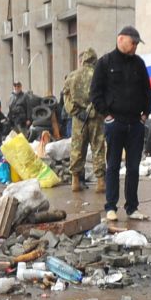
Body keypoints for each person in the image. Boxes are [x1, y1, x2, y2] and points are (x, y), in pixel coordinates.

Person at [90, 25, 151, 224]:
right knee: (113, 166)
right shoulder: (105, 63)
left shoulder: (139, 64)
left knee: (133, 167)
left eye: (136, 44)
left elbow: (146, 92)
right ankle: (110, 207)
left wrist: (145, 115)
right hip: (115, 123)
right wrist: (107, 116)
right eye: (132, 42)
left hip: (135, 124)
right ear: (121, 39)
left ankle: (132, 207)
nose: (135, 47)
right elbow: (95, 93)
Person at [60, 48, 104, 192]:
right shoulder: (100, 75)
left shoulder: (72, 76)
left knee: (77, 149)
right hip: (96, 117)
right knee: (97, 147)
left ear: (83, 60)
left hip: (79, 119)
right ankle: (100, 182)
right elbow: (105, 96)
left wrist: (76, 112)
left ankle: (75, 180)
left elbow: (66, 97)